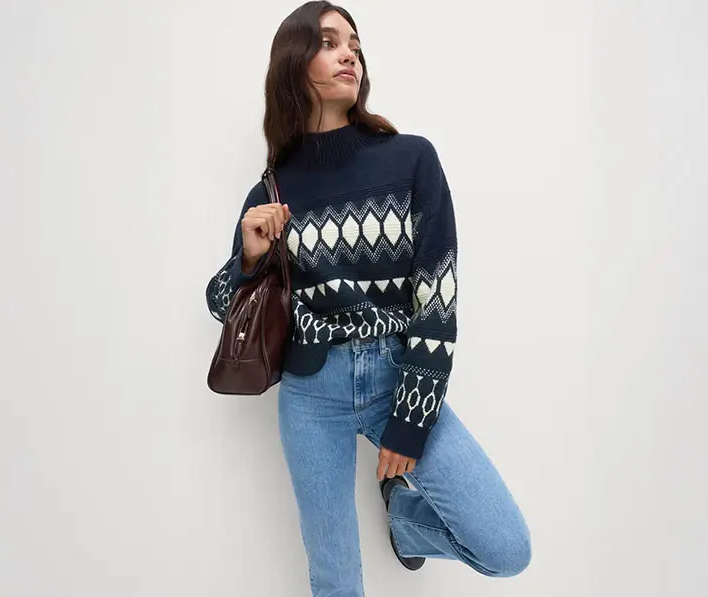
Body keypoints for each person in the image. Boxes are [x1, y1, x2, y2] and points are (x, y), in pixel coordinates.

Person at [206, 2, 531, 595]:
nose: (349, 52)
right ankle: (402, 524)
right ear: (294, 63)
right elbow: (227, 308)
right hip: (309, 396)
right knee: (335, 581)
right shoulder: (272, 189)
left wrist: (409, 422)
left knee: (506, 547)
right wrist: (249, 257)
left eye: (353, 42)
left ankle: (406, 523)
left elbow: (438, 296)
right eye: (329, 42)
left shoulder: (410, 159)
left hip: (393, 375)